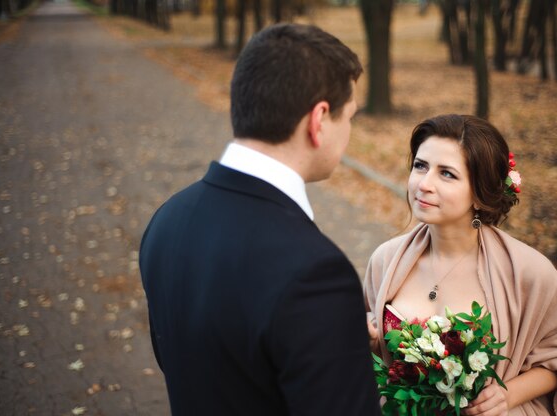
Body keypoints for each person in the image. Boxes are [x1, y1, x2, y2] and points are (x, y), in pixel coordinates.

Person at [139, 23, 381, 416]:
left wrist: (332, 343)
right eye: (349, 117)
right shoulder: (317, 274)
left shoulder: (168, 220)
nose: (349, 132)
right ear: (318, 120)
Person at [364, 114, 557, 415]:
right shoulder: (385, 261)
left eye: (447, 174)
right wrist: (375, 343)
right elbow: (381, 365)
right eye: (420, 166)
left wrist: (508, 395)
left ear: (480, 194)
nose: (424, 184)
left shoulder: (527, 272)